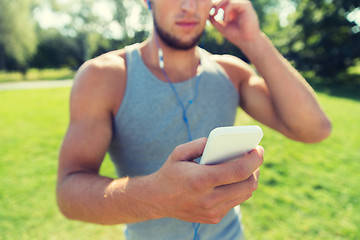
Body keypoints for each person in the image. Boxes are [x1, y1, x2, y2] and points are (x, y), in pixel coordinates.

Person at [56, 0, 331, 239]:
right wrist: (157, 198)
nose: (188, 6)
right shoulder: (104, 77)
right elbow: (69, 192)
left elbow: (314, 129)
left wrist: (254, 41)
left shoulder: (232, 73)